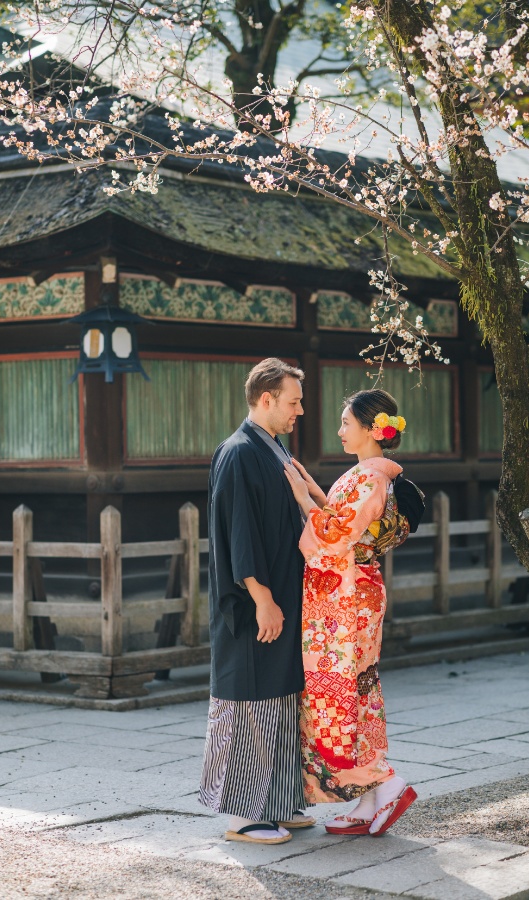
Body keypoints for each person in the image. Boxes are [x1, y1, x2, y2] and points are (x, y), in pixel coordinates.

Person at [284, 388, 417, 836]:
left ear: (369, 429)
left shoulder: (369, 478)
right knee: (354, 690)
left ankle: (386, 782)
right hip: (350, 591)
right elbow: (342, 519)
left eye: (346, 423)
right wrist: (315, 489)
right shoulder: (366, 475)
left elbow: (337, 536)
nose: (340, 431)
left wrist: (304, 498)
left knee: (339, 692)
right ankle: (365, 799)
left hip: (346, 599)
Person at [199, 358, 316, 845]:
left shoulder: (273, 449)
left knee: (282, 696)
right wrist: (262, 599)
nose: (300, 411)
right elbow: (238, 533)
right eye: (293, 401)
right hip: (253, 606)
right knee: (249, 700)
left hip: (283, 596)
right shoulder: (239, 452)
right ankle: (243, 815)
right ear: (265, 400)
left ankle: (279, 803)